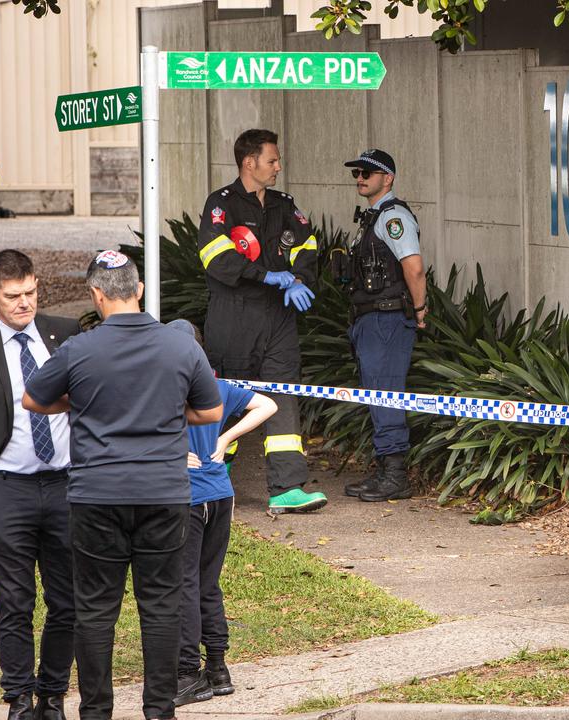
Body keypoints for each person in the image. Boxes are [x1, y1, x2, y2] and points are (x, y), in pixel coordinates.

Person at [24, 250, 223, 720]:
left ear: (96, 295)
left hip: (97, 496)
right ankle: (159, 711)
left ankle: (96, 712)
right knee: (160, 606)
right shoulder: (181, 347)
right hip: (164, 494)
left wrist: (82, 406)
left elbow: (34, 398)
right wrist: (170, 411)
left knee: (95, 610)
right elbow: (212, 411)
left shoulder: (79, 348)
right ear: (138, 291)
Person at [0, 250, 78, 720]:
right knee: (15, 601)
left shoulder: (64, 334)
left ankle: (53, 695)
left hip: (66, 486)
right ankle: (19, 699)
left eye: (30, 292)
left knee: (66, 600)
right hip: (4, 490)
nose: (24, 303)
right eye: (13, 296)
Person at [196, 128, 327, 514]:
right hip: (234, 316)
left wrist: (299, 279)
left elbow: (308, 246)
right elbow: (214, 257)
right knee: (228, 401)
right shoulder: (221, 204)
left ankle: (287, 487)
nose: (278, 166)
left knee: (282, 396)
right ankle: (212, 478)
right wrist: (267, 275)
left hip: (279, 319)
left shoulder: (285, 204)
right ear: (249, 162)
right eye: (272, 160)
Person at [165, 319, 277, 709]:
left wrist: (175, 453)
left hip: (186, 498)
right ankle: (218, 669)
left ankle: (186, 674)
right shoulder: (214, 386)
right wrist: (227, 437)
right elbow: (268, 403)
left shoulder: (164, 389)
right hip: (220, 494)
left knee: (184, 584)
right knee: (208, 583)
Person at [336, 149, 427, 502]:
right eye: (357, 172)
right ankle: (385, 470)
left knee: (385, 392)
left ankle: (395, 476)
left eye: (368, 172)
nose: (360, 177)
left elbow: (414, 267)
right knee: (376, 392)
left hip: (387, 318)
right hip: (371, 318)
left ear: (387, 178)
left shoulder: (394, 217)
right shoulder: (372, 217)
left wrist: (419, 309)